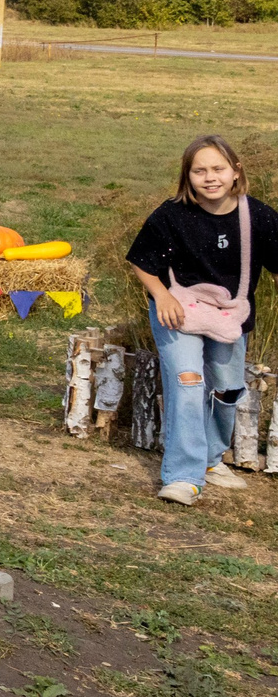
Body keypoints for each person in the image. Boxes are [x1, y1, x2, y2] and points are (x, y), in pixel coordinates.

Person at [125, 135, 275, 506]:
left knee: (228, 388)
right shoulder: (172, 215)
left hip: (230, 315)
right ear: (187, 176)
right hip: (177, 310)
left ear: (235, 172)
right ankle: (183, 476)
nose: (210, 178)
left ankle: (210, 458)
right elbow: (140, 261)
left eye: (218, 169)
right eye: (200, 171)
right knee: (188, 383)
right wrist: (162, 295)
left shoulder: (258, 217)